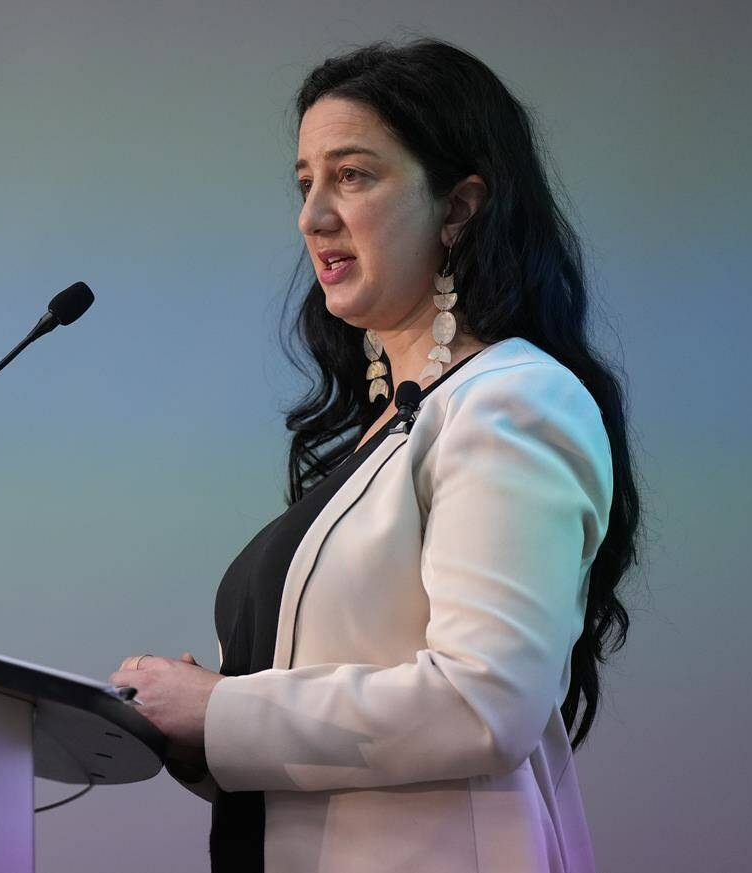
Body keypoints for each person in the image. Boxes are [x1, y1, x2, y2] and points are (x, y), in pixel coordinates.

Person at [108, 36, 641, 873]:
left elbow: (482, 701)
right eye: (305, 182)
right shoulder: (390, 423)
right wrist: (198, 738)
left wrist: (221, 709)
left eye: (351, 176)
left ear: (458, 208)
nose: (313, 214)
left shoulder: (513, 400)